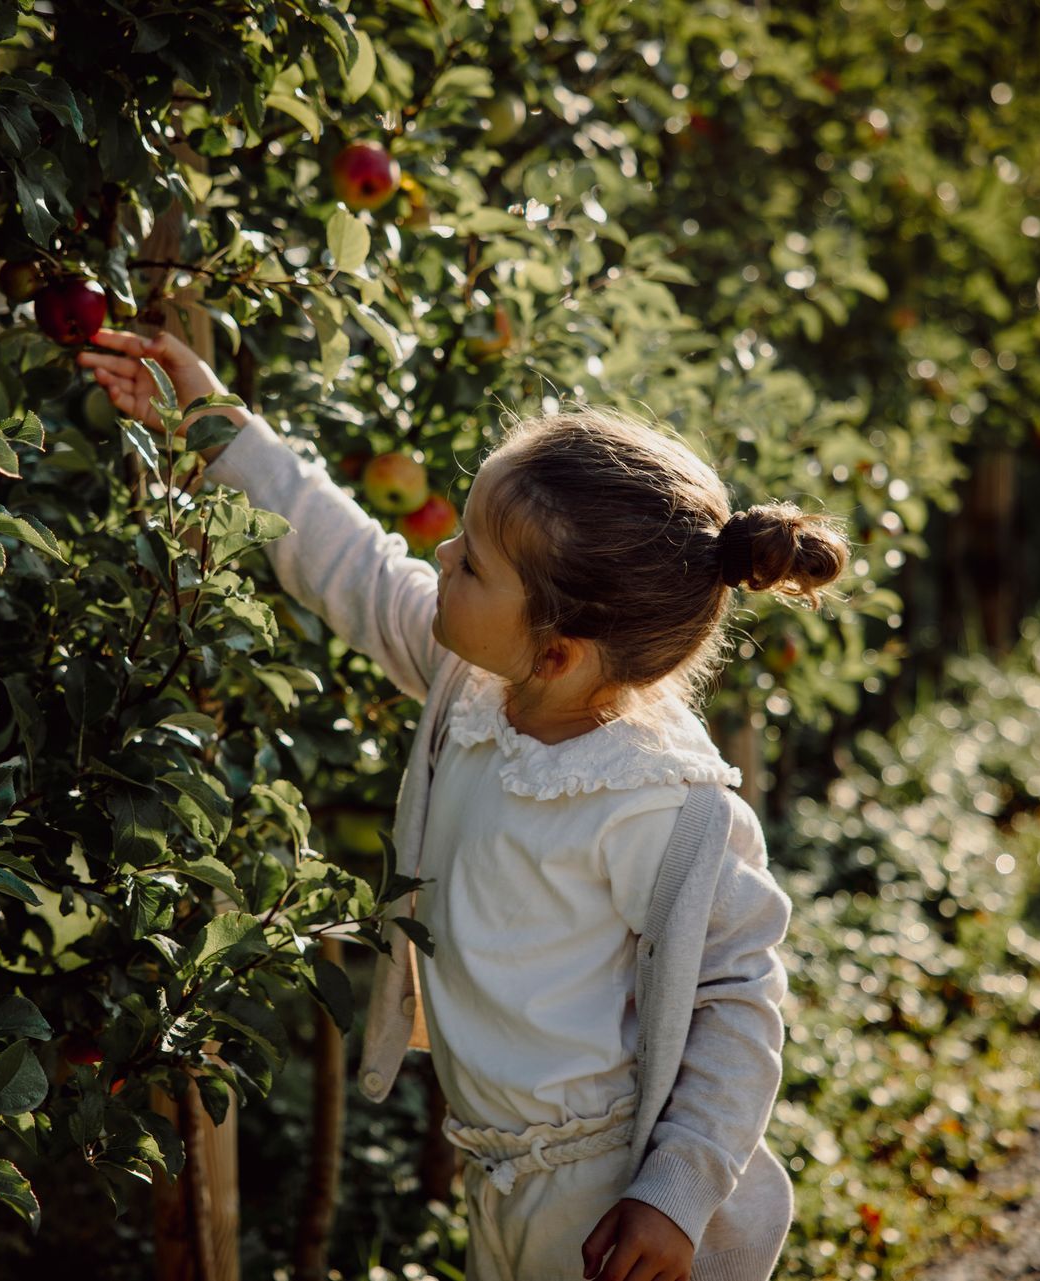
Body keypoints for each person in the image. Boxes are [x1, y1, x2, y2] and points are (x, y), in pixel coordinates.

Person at [79, 328, 849, 1281]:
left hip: (608, 1191)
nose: (441, 553)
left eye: (474, 562)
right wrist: (219, 428)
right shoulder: (475, 686)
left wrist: (676, 1192)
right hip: (497, 1168)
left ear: (558, 649)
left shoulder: (661, 802)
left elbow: (738, 995)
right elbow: (353, 566)